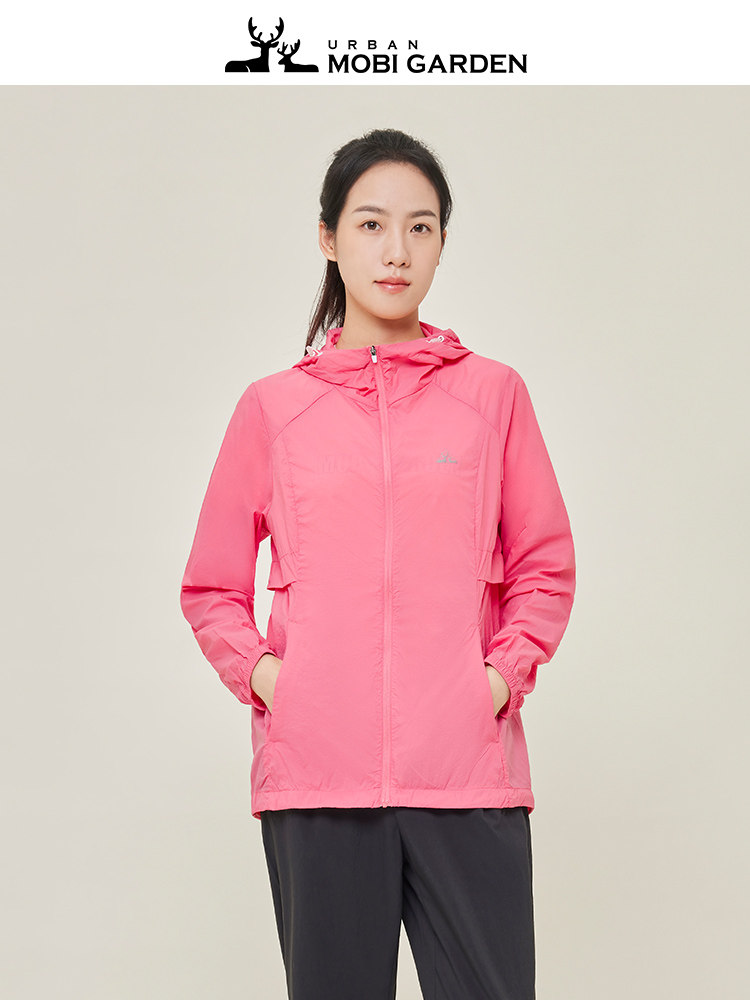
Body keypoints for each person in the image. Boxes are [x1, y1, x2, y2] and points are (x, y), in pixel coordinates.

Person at [180, 127, 576, 1000]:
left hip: (467, 776)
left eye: (420, 227)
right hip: (316, 781)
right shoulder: (273, 410)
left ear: (441, 242)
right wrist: (278, 683)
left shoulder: (493, 396)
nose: (396, 251)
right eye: (371, 225)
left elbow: (545, 568)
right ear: (329, 237)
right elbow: (210, 588)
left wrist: (496, 684)